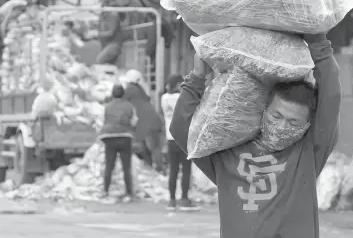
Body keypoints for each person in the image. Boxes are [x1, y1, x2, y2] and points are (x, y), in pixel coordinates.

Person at [170, 33, 341, 238]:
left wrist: (318, 43)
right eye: (276, 115)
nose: (281, 126)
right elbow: (181, 130)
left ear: (307, 126)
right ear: (264, 110)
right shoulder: (226, 155)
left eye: (293, 122)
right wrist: (197, 77)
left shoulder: (308, 153)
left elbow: (331, 98)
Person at [161, 74, 200, 211]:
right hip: (183, 138)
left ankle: (171, 200)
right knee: (186, 170)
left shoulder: (164, 98)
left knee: (173, 170)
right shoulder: (181, 98)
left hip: (170, 138)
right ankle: (184, 199)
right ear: (178, 84)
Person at [98, 84, 138, 201]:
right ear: (123, 94)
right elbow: (134, 122)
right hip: (125, 137)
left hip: (108, 137)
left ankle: (105, 190)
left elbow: (104, 121)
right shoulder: (130, 106)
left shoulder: (107, 107)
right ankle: (129, 192)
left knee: (109, 165)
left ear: (112, 94)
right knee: (126, 167)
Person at [121, 69, 164, 172]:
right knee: (147, 146)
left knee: (153, 148)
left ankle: (159, 170)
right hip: (151, 120)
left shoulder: (130, 89)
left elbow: (121, 101)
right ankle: (152, 167)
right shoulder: (140, 89)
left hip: (147, 122)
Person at [96, 0, 123, 65]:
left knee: (100, 60)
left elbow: (111, 33)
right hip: (106, 45)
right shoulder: (102, 16)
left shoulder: (113, 15)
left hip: (114, 46)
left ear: (106, 4)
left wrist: (97, 34)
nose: (100, 7)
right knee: (109, 66)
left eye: (101, 4)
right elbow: (100, 31)